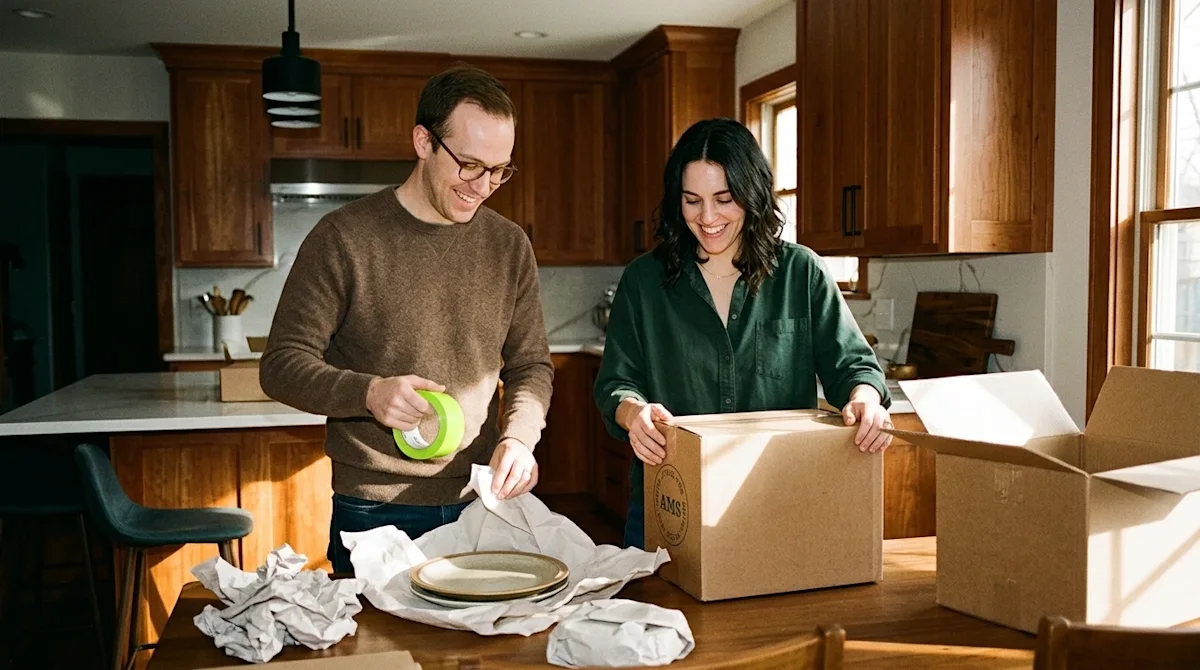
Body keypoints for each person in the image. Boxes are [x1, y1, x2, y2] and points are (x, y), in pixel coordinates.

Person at [259, 63, 554, 572]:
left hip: (478, 504)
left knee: (476, 651)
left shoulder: (509, 246)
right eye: (469, 164)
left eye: (499, 170)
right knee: (381, 653)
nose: (483, 186)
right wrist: (368, 393)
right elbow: (281, 364)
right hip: (373, 509)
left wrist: (518, 439)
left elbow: (530, 365)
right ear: (423, 141)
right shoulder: (343, 239)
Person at [593, 117, 893, 549]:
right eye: (692, 200)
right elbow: (616, 383)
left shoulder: (800, 272)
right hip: (671, 496)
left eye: (724, 199)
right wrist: (631, 413)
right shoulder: (644, 281)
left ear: (752, 195)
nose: (707, 218)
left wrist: (864, 399)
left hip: (777, 494)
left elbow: (853, 366)